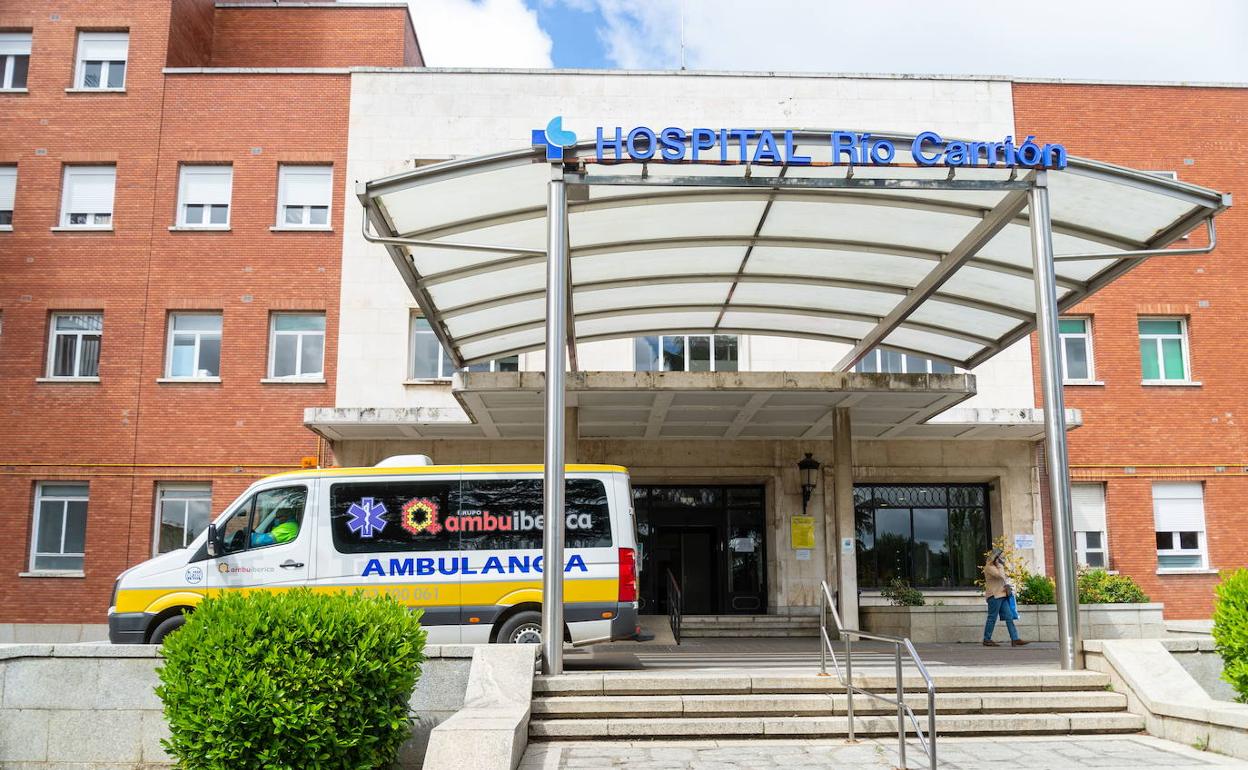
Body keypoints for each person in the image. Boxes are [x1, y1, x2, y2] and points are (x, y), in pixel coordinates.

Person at [982, 547, 1028, 647]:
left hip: (1002, 594)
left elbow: (1003, 578)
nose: (1001, 559)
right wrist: (1000, 565)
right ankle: (987, 639)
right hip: (994, 596)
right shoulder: (989, 567)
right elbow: (1001, 576)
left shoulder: (997, 566)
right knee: (992, 618)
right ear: (995, 558)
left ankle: (1015, 639)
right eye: (999, 557)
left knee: (1009, 617)